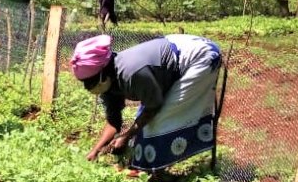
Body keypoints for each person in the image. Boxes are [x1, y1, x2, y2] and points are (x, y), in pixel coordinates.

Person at [69, 34, 222, 172]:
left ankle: (157, 173)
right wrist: (96, 150)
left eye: (89, 83)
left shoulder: (132, 73)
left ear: (102, 74)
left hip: (200, 56)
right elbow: (113, 121)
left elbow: (154, 106)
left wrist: (127, 135)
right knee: (144, 123)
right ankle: (150, 169)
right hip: (174, 55)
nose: (87, 88)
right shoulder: (108, 83)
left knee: (160, 120)